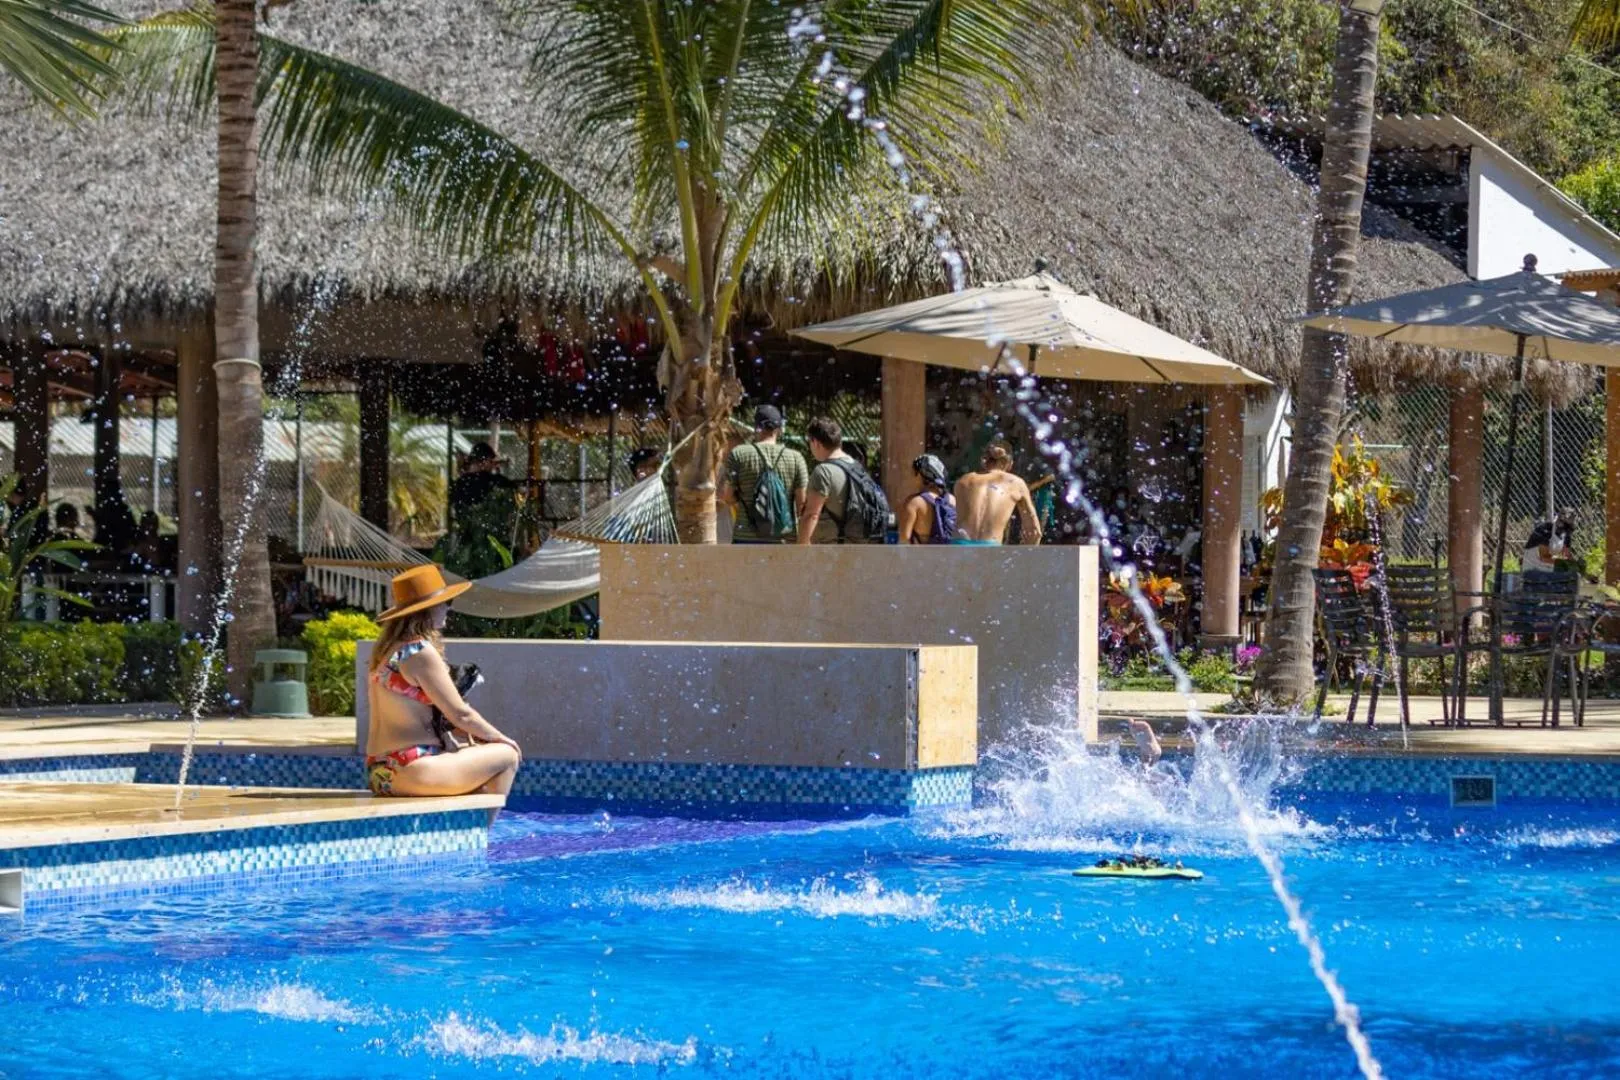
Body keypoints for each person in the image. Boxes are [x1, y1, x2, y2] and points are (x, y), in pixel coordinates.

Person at [365, 565, 522, 808]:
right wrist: (502, 739)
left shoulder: (385, 652)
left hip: (381, 772)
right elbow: (461, 714)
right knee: (506, 756)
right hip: (412, 769)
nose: (449, 608)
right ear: (426, 610)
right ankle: (481, 837)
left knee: (476, 758)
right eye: (445, 602)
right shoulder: (419, 651)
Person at [720, 405, 808, 542]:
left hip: (746, 539)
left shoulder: (739, 454)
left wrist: (744, 501)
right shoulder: (796, 458)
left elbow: (727, 496)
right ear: (779, 429)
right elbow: (802, 503)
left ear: (756, 428)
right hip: (783, 539)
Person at [797, 416, 887, 545]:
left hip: (833, 552)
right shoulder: (856, 467)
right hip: (860, 548)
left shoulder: (823, 471)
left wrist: (801, 551)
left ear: (815, 442)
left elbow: (812, 515)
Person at [951, 443, 1041, 545]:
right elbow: (1034, 531)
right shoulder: (1015, 482)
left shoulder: (963, 481)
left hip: (959, 544)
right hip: (990, 547)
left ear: (984, 461)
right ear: (1010, 463)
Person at [899, 454, 956, 544]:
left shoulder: (914, 503)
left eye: (912, 473)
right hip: (946, 555)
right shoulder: (952, 499)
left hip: (922, 556)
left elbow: (904, 538)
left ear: (919, 475)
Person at [450, 441, 515, 516]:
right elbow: (512, 486)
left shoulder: (458, 483)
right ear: (483, 461)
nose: (492, 465)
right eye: (490, 461)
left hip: (466, 524)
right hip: (487, 522)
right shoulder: (490, 480)